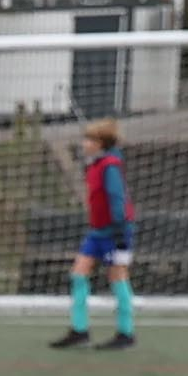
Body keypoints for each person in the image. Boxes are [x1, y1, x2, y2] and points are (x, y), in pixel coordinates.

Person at [52, 119, 137, 353]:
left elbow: (117, 199)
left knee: (118, 278)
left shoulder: (110, 166)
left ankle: (126, 333)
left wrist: (120, 235)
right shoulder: (96, 165)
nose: (84, 143)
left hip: (115, 232)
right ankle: (80, 331)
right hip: (97, 232)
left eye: (89, 139)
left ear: (100, 143)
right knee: (78, 274)